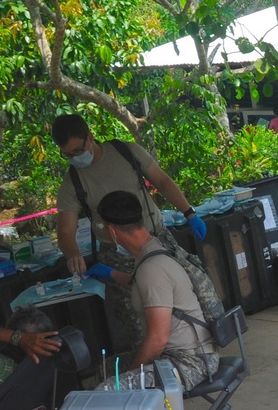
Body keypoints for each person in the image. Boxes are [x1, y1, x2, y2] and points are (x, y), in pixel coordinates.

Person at [51, 113, 207, 354]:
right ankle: (152, 372)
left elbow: (162, 181)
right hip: (117, 254)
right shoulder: (73, 181)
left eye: (78, 150)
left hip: (156, 240)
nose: (75, 158)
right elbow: (65, 229)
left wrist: (189, 212)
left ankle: (195, 354)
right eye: (67, 155)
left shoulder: (126, 152)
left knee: (183, 300)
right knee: (137, 319)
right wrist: (72, 254)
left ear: (90, 137)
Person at [93, 190, 219, 390]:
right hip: (189, 353)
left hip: (190, 362)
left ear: (112, 231)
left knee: (107, 390)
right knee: (107, 369)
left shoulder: (151, 269)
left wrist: (129, 375)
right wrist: (112, 274)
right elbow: (148, 289)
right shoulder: (155, 249)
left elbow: (157, 339)